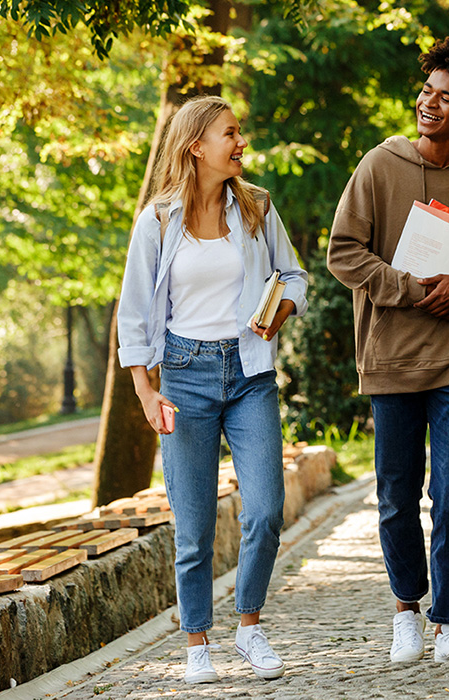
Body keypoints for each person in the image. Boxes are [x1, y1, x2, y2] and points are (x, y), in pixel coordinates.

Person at [326, 37, 449, 664]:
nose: (429, 104)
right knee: (396, 494)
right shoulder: (378, 165)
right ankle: (406, 608)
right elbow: (344, 252)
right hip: (391, 357)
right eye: (427, 92)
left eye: (447, 98)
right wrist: (408, 290)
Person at [116, 95, 309, 683]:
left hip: (249, 373)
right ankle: (196, 640)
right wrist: (146, 392)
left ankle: (249, 627)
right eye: (231, 134)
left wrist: (281, 312)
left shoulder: (256, 207)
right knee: (194, 523)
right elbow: (133, 313)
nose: (241, 142)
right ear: (197, 145)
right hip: (183, 376)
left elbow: (295, 273)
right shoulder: (157, 220)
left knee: (268, 509)